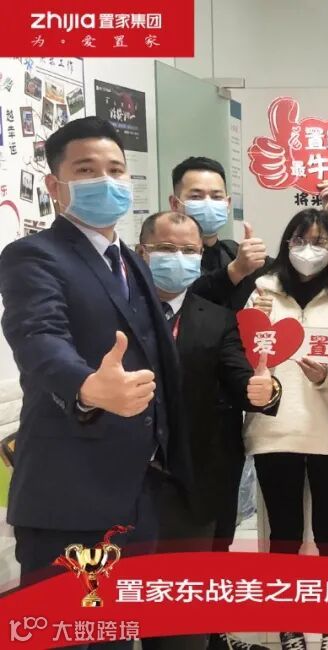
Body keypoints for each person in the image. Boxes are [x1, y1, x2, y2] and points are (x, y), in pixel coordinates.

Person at [0, 118, 188, 629]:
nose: (106, 180)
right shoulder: (33, 256)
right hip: (69, 496)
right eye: (86, 170)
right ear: (54, 184)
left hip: (138, 493)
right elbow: (38, 337)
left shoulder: (130, 260)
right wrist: (86, 387)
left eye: (116, 170)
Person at [136, 211, 281, 650]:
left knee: (181, 618)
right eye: (165, 249)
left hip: (188, 479)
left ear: (202, 257)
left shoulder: (216, 318)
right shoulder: (118, 311)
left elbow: (240, 379)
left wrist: (264, 391)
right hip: (120, 482)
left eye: (188, 251)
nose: (177, 258)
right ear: (142, 252)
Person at [243, 208, 328, 650]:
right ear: (286, 244)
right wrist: (253, 320)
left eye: (319, 241)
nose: (308, 249)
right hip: (275, 427)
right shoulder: (262, 291)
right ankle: (288, 624)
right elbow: (244, 358)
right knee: (285, 534)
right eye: (299, 240)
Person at [172, 156, 328, 310]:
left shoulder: (233, 251)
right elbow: (182, 301)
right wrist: (236, 270)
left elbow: (298, 269)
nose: (208, 204)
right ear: (174, 204)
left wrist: (324, 220)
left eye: (216, 197)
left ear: (227, 203)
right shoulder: (165, 256)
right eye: (196, 197)